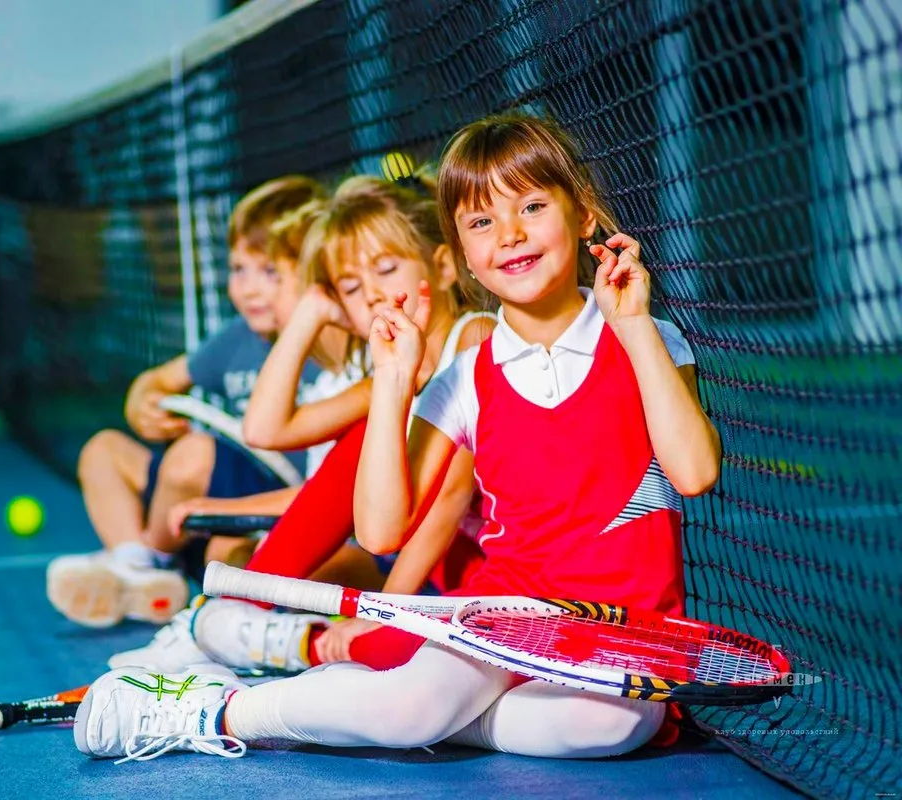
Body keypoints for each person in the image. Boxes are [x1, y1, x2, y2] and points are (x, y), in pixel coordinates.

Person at [72, 112, 721, 762]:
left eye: (531, 205)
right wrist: (391, 381)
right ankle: (212, 711)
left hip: (619, 627)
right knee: (413, 707)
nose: (511, 234)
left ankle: (382, 703)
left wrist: (632, 325)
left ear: (583, 216)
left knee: (606, 729)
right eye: (481, 222)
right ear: (460, 249)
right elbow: (381, 532)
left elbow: (693, 473)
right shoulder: (468, 375)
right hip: (501, 616)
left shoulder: (650, 339)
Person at [106, 170, 494, 676]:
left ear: (442, 267)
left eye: (386, 269)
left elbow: (445, 502)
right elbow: (266, 432)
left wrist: (389, 613)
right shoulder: (390, 371)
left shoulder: (476, 338)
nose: (374, 294)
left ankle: (243, 626)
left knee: (360, 448)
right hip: (431, 564)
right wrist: (312, 310)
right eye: (352, 286)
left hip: (487, 566)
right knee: (361, 440)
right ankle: (229, 623)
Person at [46, 175, 324, 628]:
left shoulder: (332, 351)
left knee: (202, 477)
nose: (249, 289)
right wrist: (143, 401)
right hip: (197, 497)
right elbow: (158, 380)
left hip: (269, 504)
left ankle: (146, 563)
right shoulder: (234, 340)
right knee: (103, 452)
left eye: (270, 272)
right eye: (239, 269)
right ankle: (140, 565)